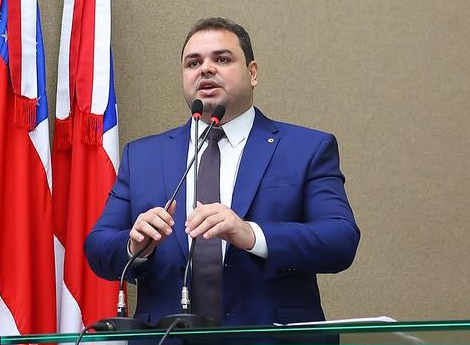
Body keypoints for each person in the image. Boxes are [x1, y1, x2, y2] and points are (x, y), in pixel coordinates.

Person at [84, 17, 360, 329]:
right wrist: (135, 246)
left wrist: (252, 235)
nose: (205, 69)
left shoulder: (306, 148)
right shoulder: (143, 156)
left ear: (252, 73)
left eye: (222, 59)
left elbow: (341, 239)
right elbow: (98, 246)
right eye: (193, 63)